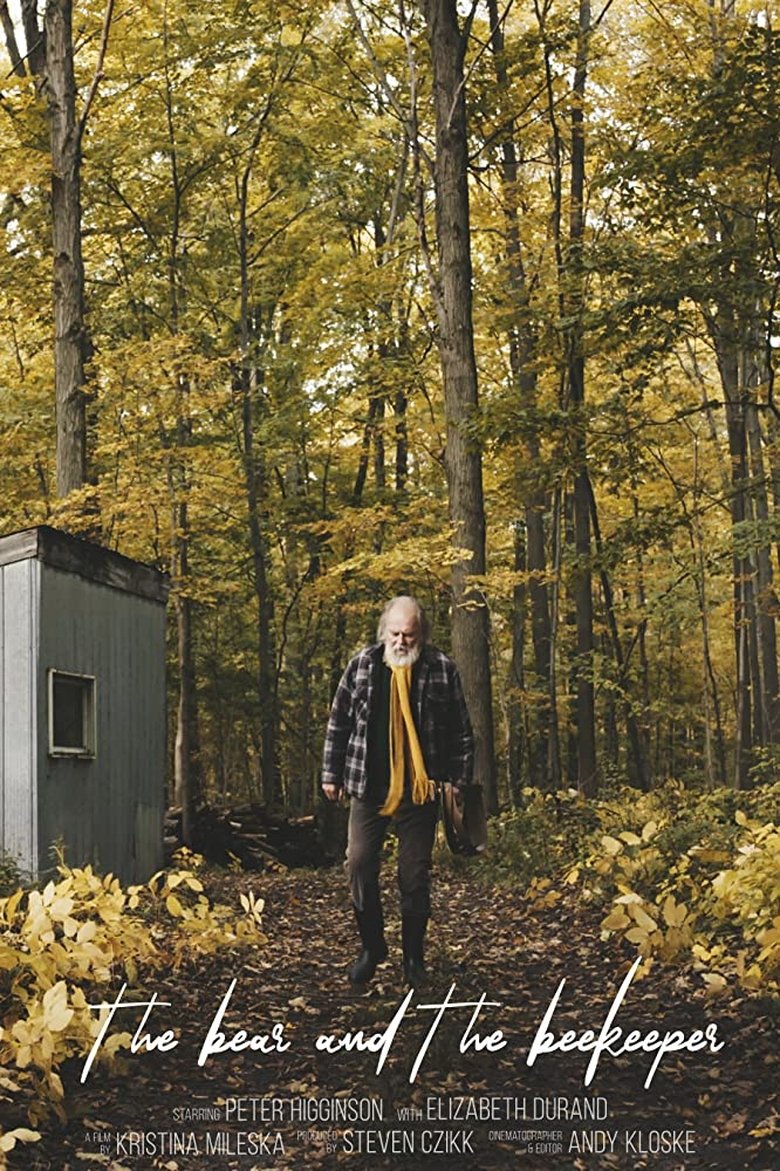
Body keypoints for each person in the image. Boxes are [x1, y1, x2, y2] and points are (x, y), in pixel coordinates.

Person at [322, 595, 474, 987]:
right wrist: (330, 774)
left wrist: (459, 781)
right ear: (383, 632)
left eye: (409, 635)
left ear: (421, 634)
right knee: (358, 864)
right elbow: (339, 721)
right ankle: (372, 947)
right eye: (395, 634)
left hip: (419, 793)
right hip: (368, 787)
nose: (401, 642)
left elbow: (461, 731)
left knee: (414, 875)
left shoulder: (441, 668)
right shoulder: (361, 665)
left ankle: (413, 960)